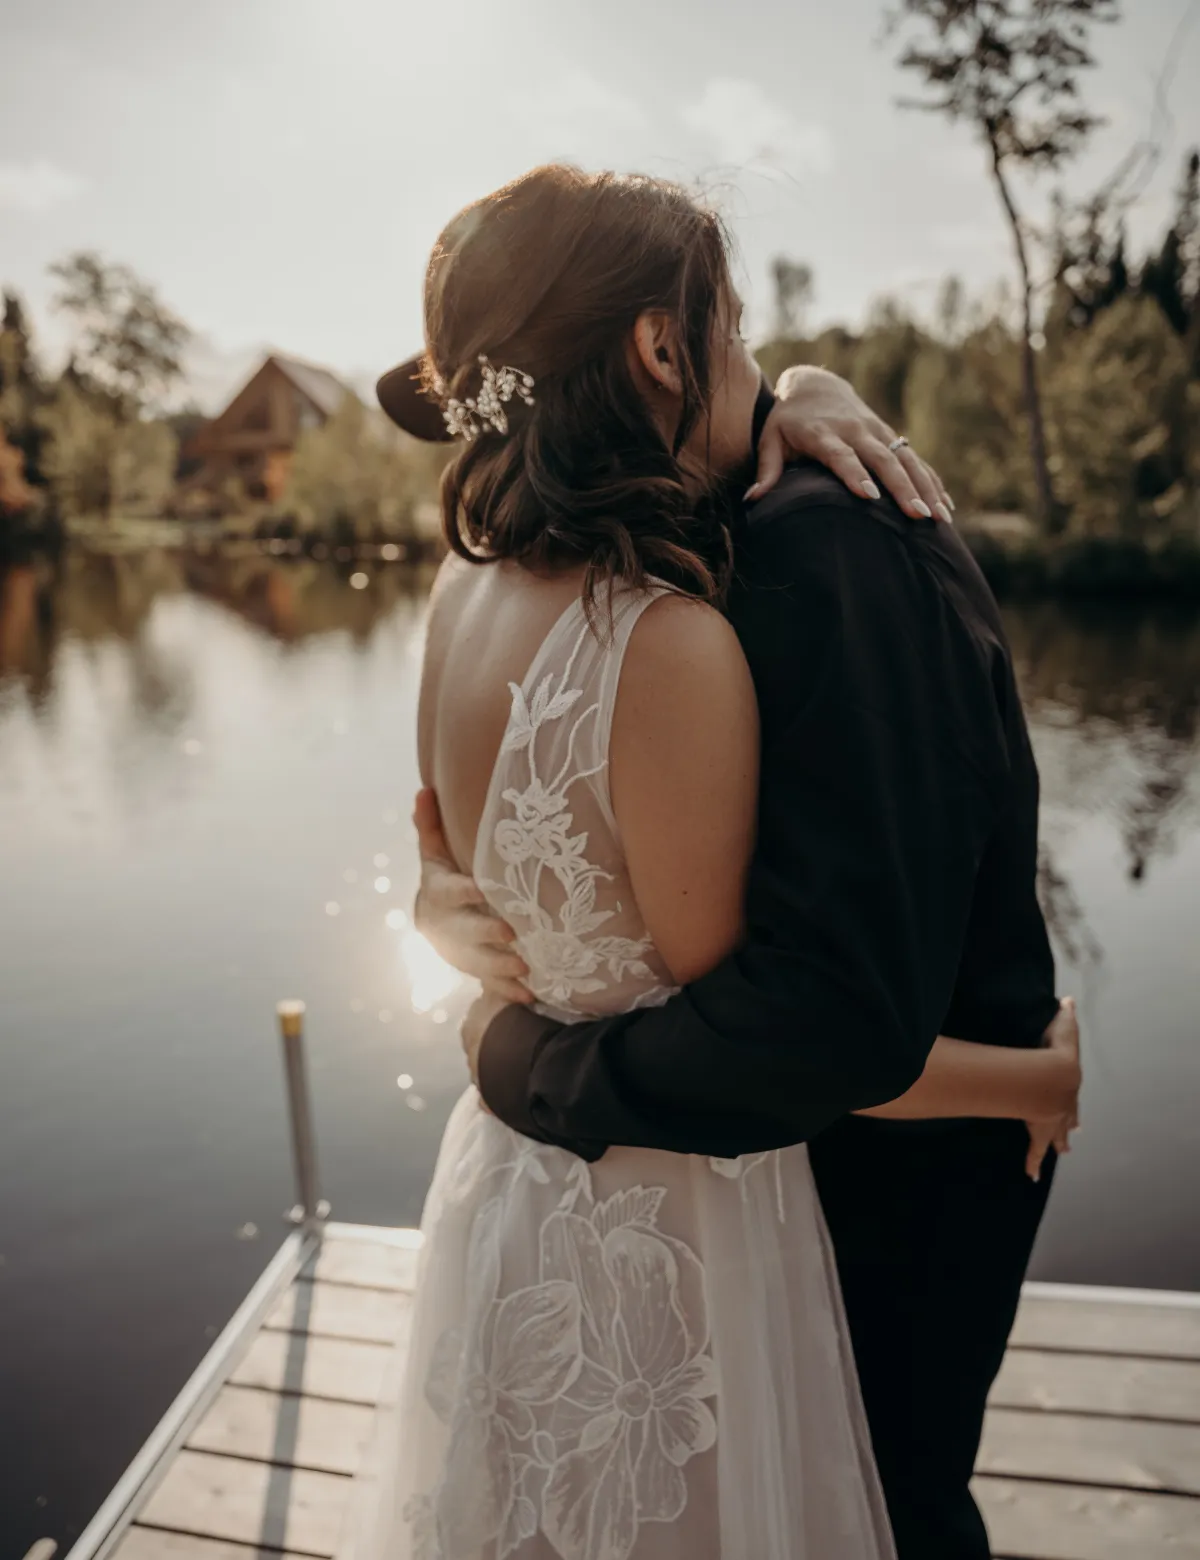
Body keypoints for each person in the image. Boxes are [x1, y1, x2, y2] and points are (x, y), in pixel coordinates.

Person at [363, 164, 1080, 1560]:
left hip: (515, 1205)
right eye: (736, 330)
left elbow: (470, 851)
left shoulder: (462, 589)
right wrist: (1036, 1079)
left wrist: (497, 1023)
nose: (758, 377)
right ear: (656, 345)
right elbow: (774, 1030)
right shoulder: (671, 631)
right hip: (688, 1216)